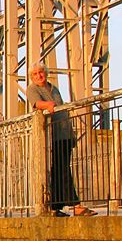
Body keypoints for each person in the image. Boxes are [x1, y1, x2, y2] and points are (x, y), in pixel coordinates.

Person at [25, 63, 94, 217]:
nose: (39, 76)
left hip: (65, 133)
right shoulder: (32, 89)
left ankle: (55, 208)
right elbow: (36, 103)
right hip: (52, 135)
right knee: (62, 169)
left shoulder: (53, 87)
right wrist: (48, 104)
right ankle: (76, 205)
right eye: (35, 74)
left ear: (45, 73)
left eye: (41, 72)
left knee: (58, 169)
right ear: (32, 77)